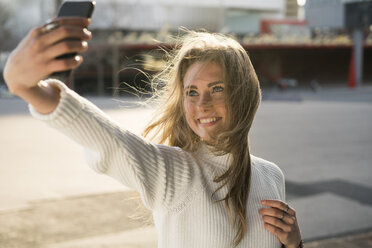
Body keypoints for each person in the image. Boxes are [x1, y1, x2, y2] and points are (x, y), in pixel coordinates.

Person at [4, 17, 303, 248]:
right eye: (192, 92)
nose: (202, 104)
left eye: (217, 88)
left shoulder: (270, 175)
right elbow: (111, 140)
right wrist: (28, 89)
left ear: (245, 92)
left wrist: (295, 244)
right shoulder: (175, 172)